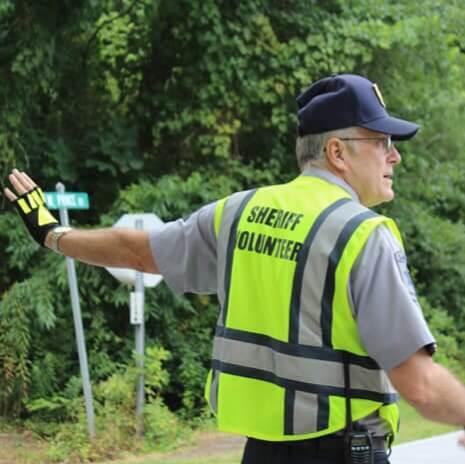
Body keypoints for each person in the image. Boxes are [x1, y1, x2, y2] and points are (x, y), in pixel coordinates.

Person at [4, 73, 465, 464]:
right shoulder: (365, 235)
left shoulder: (238, 212)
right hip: (345, 450)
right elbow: (419, 386)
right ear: (337, 152)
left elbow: (138, 252)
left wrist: (50, 234)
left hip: (260, 453)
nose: (395, 155)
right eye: (381, 141)